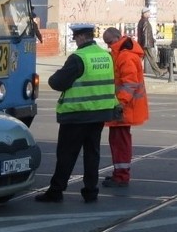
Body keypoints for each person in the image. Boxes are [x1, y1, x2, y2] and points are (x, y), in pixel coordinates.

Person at [36, 24, 119, 204]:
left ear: (81, 38)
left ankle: (56, 191)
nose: (75, 42)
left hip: (77, 114)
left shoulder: (79, 58)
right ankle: (91, 191)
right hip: (99, 114)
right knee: (92, 154)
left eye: (75, 38)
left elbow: (57, 82)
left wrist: (56, 75)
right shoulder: (106, 56)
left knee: (66, 154)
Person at [101, 27, 149, 188]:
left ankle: (121, 176)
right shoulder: (123, 53)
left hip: (124, 108)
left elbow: (129, 84)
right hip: (125, 107)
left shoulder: (125, 56)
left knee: (120, 142)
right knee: (118, 141)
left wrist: (120, 103)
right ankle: (119, 174)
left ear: (117, 38)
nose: (108, 46)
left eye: (109, 42)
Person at [138, 7, 166, 78]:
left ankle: (134, 71)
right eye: (148, 12)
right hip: (146, 44)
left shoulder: (142, 21)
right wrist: (146, 44)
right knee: (151, 58)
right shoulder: (145, 21)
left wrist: (152, 39)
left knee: (140, 59)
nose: (149, 13)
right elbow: (145, 34)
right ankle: (158, 72)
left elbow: (146, 34)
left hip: (144, 43)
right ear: (145, 13)